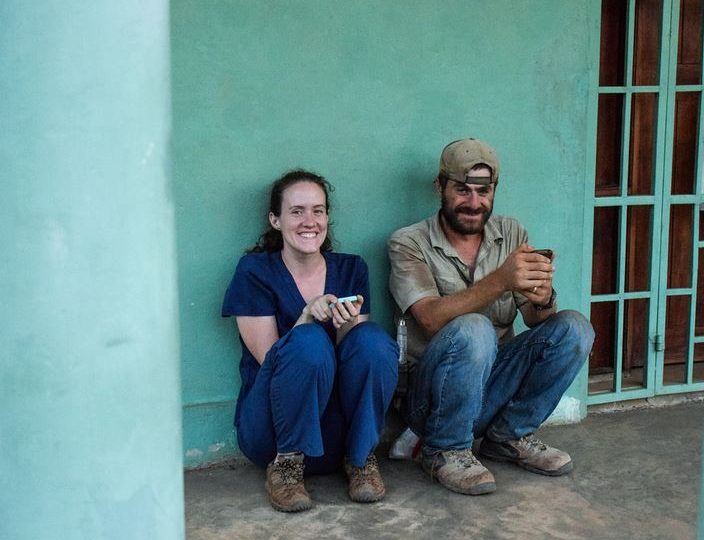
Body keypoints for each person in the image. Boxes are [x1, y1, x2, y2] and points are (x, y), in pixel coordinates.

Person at [388, 138, 595, 496]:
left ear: (494, 190)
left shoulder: (511, 233)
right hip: (431, 402)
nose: (473, 202)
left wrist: (543, 298)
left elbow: (535, 319)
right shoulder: (408, 243)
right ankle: (443, 450)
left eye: (483, 191)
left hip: (493, 388)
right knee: (473, 327)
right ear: (440, 187)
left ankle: (508, 436)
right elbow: (430, 319)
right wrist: (500, 280)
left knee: (575, 328)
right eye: (462, 190)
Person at [222, 169, 398, 512]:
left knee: (373, 341)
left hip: (337, 434)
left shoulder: (351, 269)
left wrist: (343, 324)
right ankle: (287, 470)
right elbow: (272, 361)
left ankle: (361, 459)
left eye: (318, 210)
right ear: (275, 220)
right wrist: (306, 318)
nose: (309, 221)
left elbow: (357, 356)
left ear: (327, 218)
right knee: (309, 342)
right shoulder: (254, 272)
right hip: (273, 432)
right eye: (297, 211)